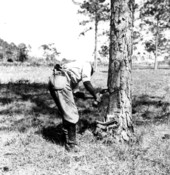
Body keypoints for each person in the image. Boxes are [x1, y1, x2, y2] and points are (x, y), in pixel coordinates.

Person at [48, 60, 101, 152]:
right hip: (62, 81)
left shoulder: (74, 68)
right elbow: (87, 82)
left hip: (54, 80)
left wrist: (90, 96)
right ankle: (71, 145)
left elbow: (76, 93)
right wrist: (95, 95)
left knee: (65, 112)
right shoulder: (87, 65)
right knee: (71, 113)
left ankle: (64, 138)